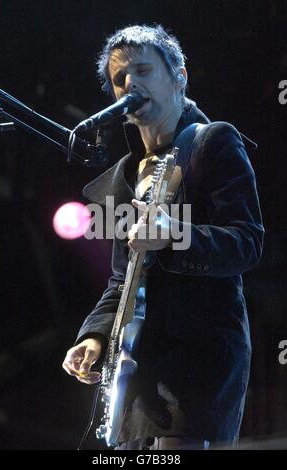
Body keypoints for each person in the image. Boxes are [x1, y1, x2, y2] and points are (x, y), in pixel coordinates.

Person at [62, 24, 264, 450]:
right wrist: (93, 336)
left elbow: (246, 243)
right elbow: (123, 278)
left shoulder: (213, 142)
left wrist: (174, 234)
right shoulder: (123, 176)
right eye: (120, 79)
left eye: (143, 70)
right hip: (137, 379)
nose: (130, 83)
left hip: (198, 370)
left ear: (179, 76)